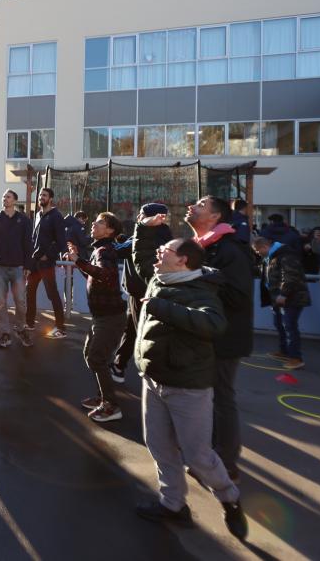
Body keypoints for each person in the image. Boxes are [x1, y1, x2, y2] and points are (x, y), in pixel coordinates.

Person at [133, 238, 247, 540]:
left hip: (188, 387)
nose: (158, 252)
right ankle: (172, 504)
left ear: (183, 260)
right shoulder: (159, 279)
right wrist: (145, 228)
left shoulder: (200, 290)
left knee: (197, 455)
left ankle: (229, 498)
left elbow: (213, 324)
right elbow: (142, 256)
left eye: (164, 250)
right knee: (158, 445)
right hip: (154, 379)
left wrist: (163, 308)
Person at [185, 196, 254, 482]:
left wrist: (200, 277)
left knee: (221, 397)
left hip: (223, 339)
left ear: (214, 218)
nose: (193, 206)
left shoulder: (229, 250)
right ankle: (208, 456)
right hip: (205, 337)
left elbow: (238, 296)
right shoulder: (203, 248)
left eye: (201, 204)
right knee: (206, 399)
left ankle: (225, 464)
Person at [68, 212, 125, 422]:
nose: (93, 223)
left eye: (99, 222)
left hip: (110, 317)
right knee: (90, 355)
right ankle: (103, 397)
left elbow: (105, 275)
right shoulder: (100, 250)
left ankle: (111, 406)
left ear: (110, 230)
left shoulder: (104, 250)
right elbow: (96, 277)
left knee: (97, 358)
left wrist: (78, 260)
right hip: (102, 316)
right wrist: (78, 262)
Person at [112, 204, 172, 384]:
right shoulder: (165, 236)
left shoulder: (146, 237)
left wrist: (111, 240)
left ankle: (151, 374)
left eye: (141, 215)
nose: (138, 218)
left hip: (141, 293)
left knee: (141, 333)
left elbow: (121, 250)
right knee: (131, 330)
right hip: (145, 293)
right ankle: (119, 365)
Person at [0, 189, 33, 349]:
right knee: (1, 302)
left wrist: (28, 265)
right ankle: (5, 333)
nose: (5, 199)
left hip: (18, 267)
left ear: (15, 201)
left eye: (8, 197)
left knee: (20, 302)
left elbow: (28, 244)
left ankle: (20, 328)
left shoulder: (24, 220)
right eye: (3, 196)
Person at [252, 236, 310, 369]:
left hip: (291, 298)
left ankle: (296, 358)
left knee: (289, 327)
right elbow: (264, 272)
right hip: (279, 299)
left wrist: (284, 294)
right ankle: (284, 351)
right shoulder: (270, 257)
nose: (257, 253)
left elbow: (290, 276)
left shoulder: (285, 255)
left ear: (264, 247)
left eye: (257, 250)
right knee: (280, 324)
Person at [27, 188, 66, 338]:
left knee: (52, 294)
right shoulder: (38, 215)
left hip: (46, 262)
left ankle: (61, 328)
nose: (41, 197)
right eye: (39, 195)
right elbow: (34, 239)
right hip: (35, 262)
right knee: (29, 291)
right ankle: (29, 323)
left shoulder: (56, 216)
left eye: (44, 195)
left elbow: (60, 241)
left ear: (50, 199)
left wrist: (47, 255)